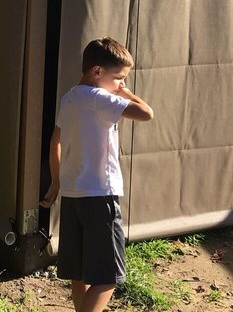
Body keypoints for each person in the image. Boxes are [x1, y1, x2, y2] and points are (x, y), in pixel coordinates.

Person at [40, 37, 155, 312]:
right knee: (107, 279)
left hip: (72, 195)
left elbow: (55, 141)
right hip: (100, 197)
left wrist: (56, 181)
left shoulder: (69, 98)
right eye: (119, 78)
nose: (121, 85)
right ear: (96, 71)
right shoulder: (100, 98)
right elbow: (147, 113)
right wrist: (125, 95)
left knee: (79, 276)